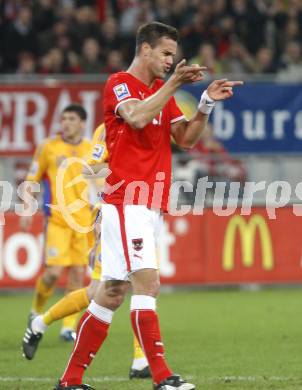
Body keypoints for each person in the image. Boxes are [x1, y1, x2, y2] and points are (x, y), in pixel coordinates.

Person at [54, 22, 242, 390]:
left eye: (173, 55)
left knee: (110, 292)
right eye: (166, 54)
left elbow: (185, 139)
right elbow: (136, 116)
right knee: (148, 284)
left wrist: (204, 104)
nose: (171, 62)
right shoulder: (119, 83)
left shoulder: (161, 91)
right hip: (127, 200)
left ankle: (70, 380)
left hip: (145, 204)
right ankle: (161, 377)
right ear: (145, 50)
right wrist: (174, 84)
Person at [22, 123, 151, 379]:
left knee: (124, 287)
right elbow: (91, 169)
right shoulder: (107, 129)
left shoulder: (148, 122)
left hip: (140, 215)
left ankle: (41, 323)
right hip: (112, 215)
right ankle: (139, 361)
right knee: (119, 288)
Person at [21, 104, 93, 343]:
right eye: (64, 118)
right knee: (52, 274)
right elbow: (32, 178)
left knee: (77, 275)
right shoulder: (48, 147)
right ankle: (35, 311)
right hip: (58, 221)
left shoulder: (91, 148)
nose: (66, 123)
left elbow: (101, 183)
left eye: (72, 119)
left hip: (84, 223)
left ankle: (67, 326)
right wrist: (26, 208)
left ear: (83, 123)